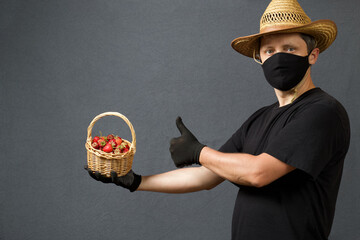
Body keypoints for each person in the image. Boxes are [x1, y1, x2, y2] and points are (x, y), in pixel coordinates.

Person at [85, 0, 351, 239]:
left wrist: (199, 152)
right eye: (269, 50)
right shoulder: (259, 118)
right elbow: (207, 176)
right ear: (259, 59)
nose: (278, 56)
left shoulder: (323, 112)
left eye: (290, 48)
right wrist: (136, 181)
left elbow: (258, 173)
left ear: (312, 55)